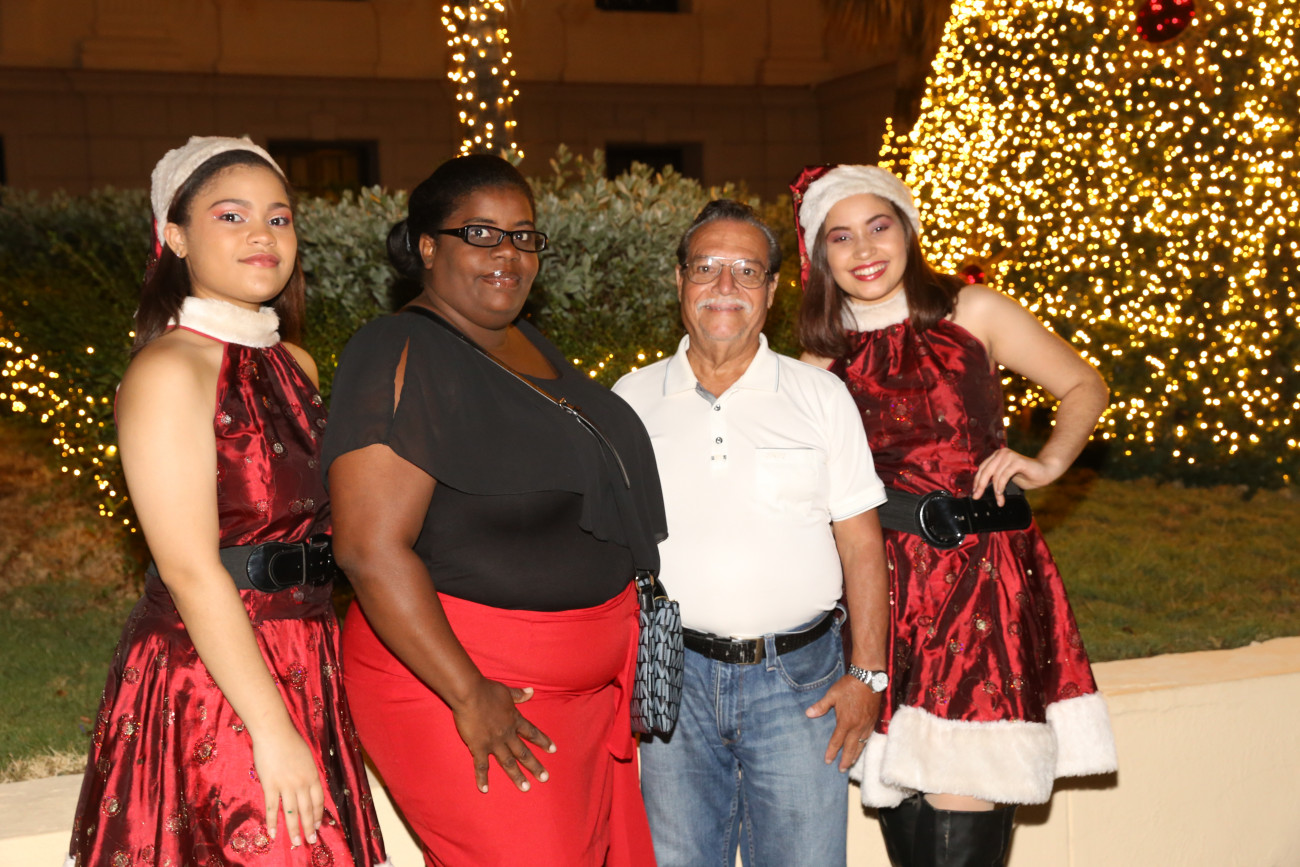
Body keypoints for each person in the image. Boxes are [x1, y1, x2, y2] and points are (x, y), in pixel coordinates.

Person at [322, 153, 666, 867]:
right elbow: (367, 547)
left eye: (523, 235)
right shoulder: (399, 348)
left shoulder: (526, 344)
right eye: (480, 233)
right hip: (465, 684)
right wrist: (469, 692)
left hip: (583, 697)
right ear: (427, 246)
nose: (507, 253)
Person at [65, 136, 389, 867]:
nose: (261, 235)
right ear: (175, 236)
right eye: (231, 216)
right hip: (212, 673)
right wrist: (272, 729)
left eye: (279, 218)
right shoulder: (167, 370)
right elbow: (189, 569)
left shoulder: (294, 363)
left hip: (307, 651)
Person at [793, 164, 1120, 866]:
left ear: (908, 231)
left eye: (878, 227)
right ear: (821, 256)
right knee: (907, 811)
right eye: (840, 237)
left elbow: (1083, 384)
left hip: (982, 581)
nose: (863, 249)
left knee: (965, 788)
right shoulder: (822, 355)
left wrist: (1048, 462)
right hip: (882, 594)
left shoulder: (974, 312)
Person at [612, 199, 891, 866]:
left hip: (801, 685)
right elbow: (606, 552)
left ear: (771, 289)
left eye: (746, 270)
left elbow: (862, 545)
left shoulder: (819, 396)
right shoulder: (630, 399)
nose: (724, 285)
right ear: (679, 280)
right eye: (706, 266)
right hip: (673, 682)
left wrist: (868, 676)